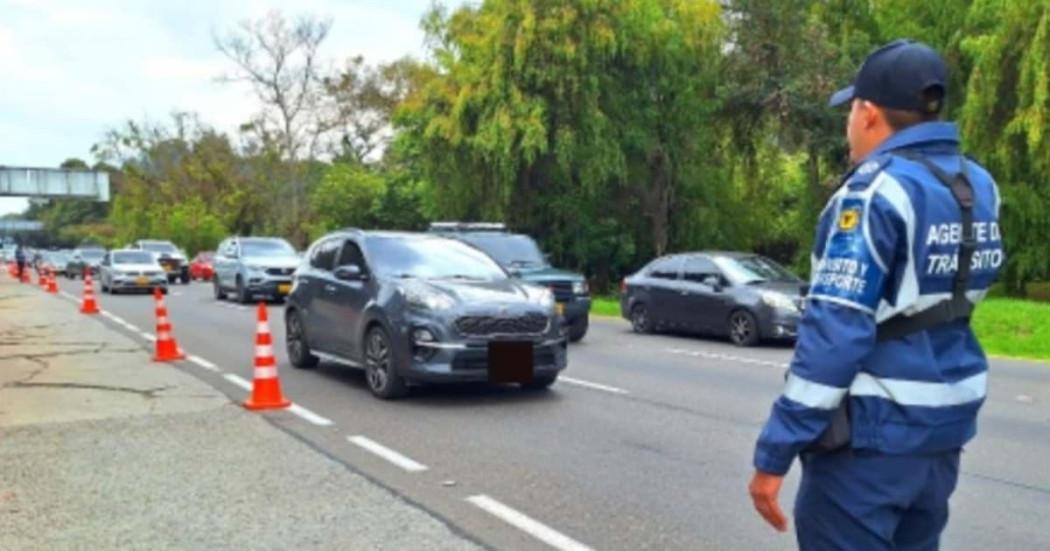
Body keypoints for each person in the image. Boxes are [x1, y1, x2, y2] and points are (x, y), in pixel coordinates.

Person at [748, 39, 1004, 550]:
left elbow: (834, 337)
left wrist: (774, 453)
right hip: (943, 433)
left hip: (871, 445)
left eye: (850, 112)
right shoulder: (977, 185)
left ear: (868, 114)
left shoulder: (873, 192)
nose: (848, 126)